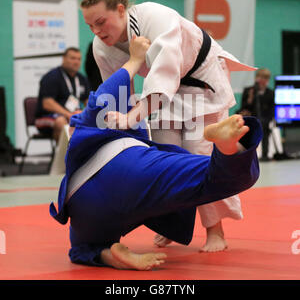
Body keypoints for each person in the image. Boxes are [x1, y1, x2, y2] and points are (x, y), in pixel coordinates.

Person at [80, 0, 257, 252]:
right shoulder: (101, 46)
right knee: (164, 157)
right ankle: (173, 226)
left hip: (201, 79)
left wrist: (131, 116)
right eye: (90, 26)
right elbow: (117, 89)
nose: (98, 31)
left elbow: (164, 78)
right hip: (165, 93)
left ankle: (216, 231)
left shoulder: (155, 17)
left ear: (122, 10)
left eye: (101, 22)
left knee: (199, 151)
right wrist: (116, 124)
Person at [50, 36, 262, 270]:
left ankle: (108, 253)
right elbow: (103, 97)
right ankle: (228, 148)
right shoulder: (110, 113)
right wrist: (134, 60)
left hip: (83, 207)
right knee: (215, 178)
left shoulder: (83, 136)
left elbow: (103, 98)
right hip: (125, 168)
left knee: (81, 249)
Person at [35, 47, 90, 142]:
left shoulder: (82, 79)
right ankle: (63, 155)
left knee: (91, 121)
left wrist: (89, 114)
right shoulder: (52, 77)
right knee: (61, 121)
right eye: (72, 58)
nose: (76, 62)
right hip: (47, 117)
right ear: (64, 59)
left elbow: (88, 101)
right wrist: (68, 114)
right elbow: (47, 103)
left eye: (79, 59)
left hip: (71, 115)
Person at [238, 68, 274, 161]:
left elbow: (271, 109)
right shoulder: (249, 90)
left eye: (265, 78)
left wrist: (268, 119)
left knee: (265, 128)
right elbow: (243, 107)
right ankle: (245, 153)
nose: (262, 81)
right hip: (251, 117)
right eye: (260, 78)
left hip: (264, 119)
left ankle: (265, 154)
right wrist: (250, 98)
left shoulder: (270, 93)